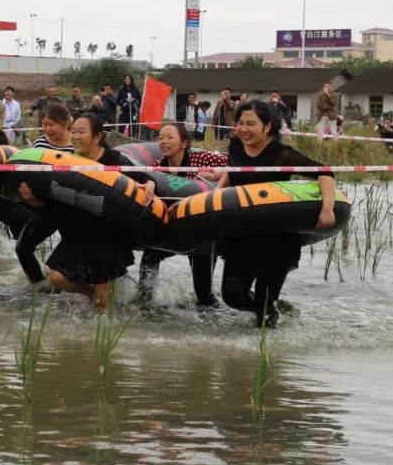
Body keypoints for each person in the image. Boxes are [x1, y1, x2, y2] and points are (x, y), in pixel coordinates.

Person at [216, 100, 336, 327]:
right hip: (241, 236)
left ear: (267, 126)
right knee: (232, 296)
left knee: (264, 316)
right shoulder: (234, 145)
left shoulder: (282, 155)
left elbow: (325, 172)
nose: (244, 129)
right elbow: (232, 172)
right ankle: (274, 308)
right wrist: (214, 198)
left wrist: (327, 208)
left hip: (276, 241)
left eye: (251, 124)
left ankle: (267, 344)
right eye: (240, 123)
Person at [17, 114, 150, 312]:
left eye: (81, 132)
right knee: (56, 278)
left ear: (97, 136)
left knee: (101, 306)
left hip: (107, 233)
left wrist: (150, 184)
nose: (76, 136)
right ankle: (89, 292)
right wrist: (35, 201)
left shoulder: (113, 159)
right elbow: (57, 204)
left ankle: (100, 331)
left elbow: (141, 176)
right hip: (78, 231)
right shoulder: (67, 161)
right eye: (73, 131)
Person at [138, 123, 229, 307]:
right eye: (161, 137)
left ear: (184, 143)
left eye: (169, 137)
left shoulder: (201, 158)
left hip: (200, 232)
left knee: (204, 296)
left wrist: (215, 175)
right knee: (150, 256)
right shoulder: (157, 167)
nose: (163, 141)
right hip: (171, 230)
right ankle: (144, 301)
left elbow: (234, 164)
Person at [14, 103, 75, 288]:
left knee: (73, 248)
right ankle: (38, 285)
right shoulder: (40, 144)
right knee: (22, 247)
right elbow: (26, 170)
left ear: (65, 123)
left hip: (72, 210)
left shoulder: (77, 145)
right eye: (44, 124)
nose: (47, 129)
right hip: (44, 206)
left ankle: (72, 284)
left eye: (51, 124)